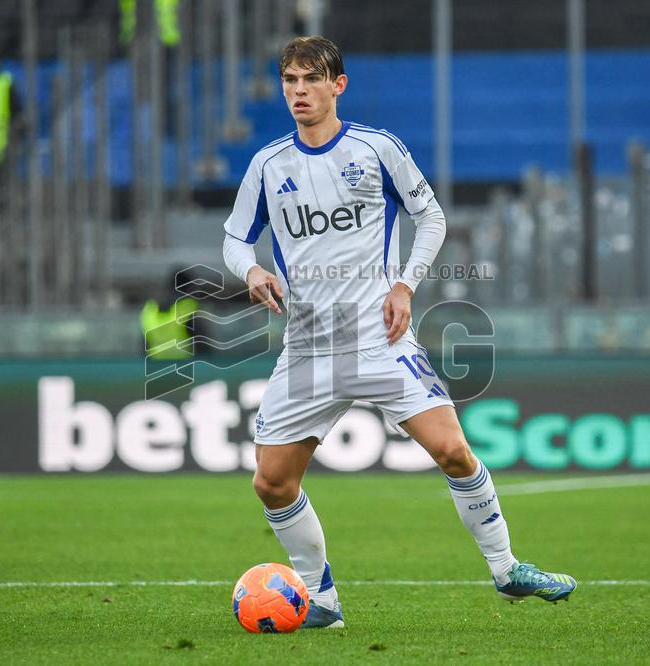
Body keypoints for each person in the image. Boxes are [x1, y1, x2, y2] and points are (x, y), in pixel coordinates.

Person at [221, 36, 575, 629]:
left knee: (453, 451)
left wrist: (406, 285)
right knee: (272, 483)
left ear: (338, 85)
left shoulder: (376, 148)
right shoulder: (268, 164)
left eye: (311, 79)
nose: (299, 91)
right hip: (308, 347)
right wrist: (252, 270)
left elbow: (430, 217)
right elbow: (235, 239)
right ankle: (321, 601)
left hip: (380, 339)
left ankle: (507, 568)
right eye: (289, 80)